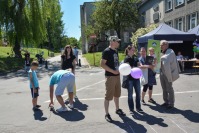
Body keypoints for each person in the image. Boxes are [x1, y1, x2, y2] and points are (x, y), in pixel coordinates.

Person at [100, 36, 125, 122]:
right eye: (118, 41)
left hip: (117, 76)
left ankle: (117, 109)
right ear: (113, 41)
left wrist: (119, 69)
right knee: (108, 96)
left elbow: (115, 63)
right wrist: (113, 71)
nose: (119, 43)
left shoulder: (115, 51)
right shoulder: (107, 51)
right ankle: (107, 114)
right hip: (110, 77)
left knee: (117, 94)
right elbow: (102, 64)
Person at [160, 40, 180, 109]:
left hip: (168, 74)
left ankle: (171, 104)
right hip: (162, 73)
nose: (160, 46)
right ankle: (166, 101)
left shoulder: (170, 51)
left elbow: (166, 59)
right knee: (164, 88)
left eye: (162, 45)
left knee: (169, 89)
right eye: (160, 45)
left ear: (166, 45)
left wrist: (159, 57)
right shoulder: (162, 52)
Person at [124, 45, 143, 113]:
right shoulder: (126, 58)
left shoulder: (135, 57)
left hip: (136, 78)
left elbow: (138, 63)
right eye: (132, 50)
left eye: (134, 50)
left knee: (138, 93)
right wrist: (134, 68)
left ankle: (138, 108)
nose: (134, 51)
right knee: (130, 95)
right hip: (130, 79)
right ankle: (131, 109)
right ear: (128, 51)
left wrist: (140, 65)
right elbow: (128, 68)